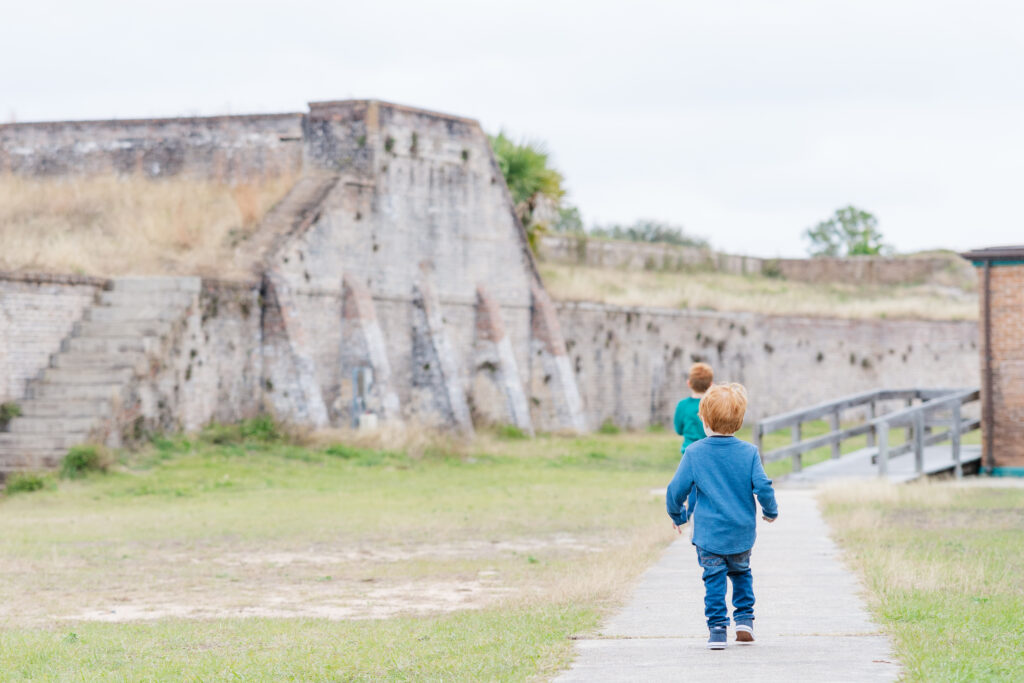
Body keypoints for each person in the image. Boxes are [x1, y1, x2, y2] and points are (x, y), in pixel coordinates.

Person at [665, 383, 779, 650]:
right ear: (739, 422)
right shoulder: (749, 452)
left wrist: (678, 515)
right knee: (741, 573)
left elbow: (675, 490)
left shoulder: (694, 453)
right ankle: (744, 619)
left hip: (709, 535)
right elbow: (763, 486)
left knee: (713, 578)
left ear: (704, 419)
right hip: (741, 533)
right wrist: (770, 511)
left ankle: (717, 629)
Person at [672, 362, 713, 515]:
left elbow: (678, 429)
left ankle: (693, 518)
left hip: (689, 453)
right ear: (711, 384)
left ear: (689, 383)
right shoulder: (712, 404)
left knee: (692, 489)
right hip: (710, 451)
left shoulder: (682, 405)